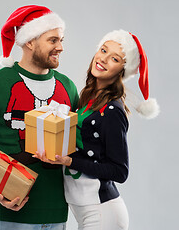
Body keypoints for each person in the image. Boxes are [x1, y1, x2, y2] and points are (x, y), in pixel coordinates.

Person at [0, 5, 79, 230]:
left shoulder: (68, 87)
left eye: (62, 40)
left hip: (57, 213)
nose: (61, 47)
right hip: (12, 216)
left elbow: (77, 146)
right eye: (53, 40)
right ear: (30, 41)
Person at [34, 29, 159, 230]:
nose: (103, 59)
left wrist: (69, 161)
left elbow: (120, 171)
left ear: (122, 70)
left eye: (115, 59)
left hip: (102, 212)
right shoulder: (87, 99)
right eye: (103, 50)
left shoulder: (112, 110)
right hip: (86, 209)